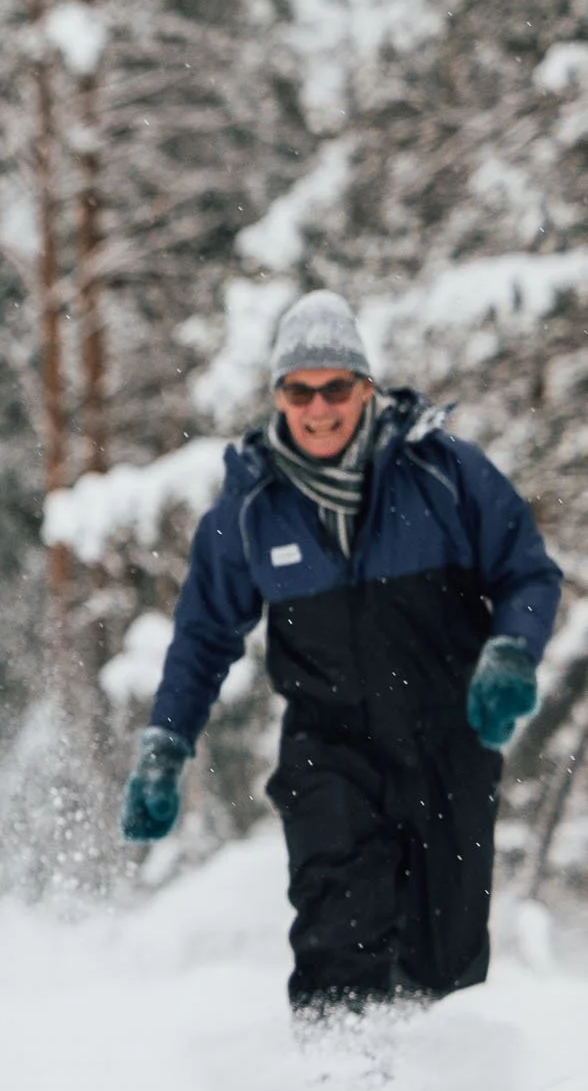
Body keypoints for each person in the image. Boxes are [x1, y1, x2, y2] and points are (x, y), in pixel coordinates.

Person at [122, 290, 561, 1021]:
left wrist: (511, 652)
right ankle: (339, 1079)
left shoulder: (442, 473)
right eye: (300, 389)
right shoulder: (251, 509)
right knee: (336, 918)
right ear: (278, 396)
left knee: (442, 956)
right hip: (330, 746)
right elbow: (203, 637)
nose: (318, 407)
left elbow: (527, 571)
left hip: (449, 742)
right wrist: (165, 745)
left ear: (366, 387)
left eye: (335, 387)